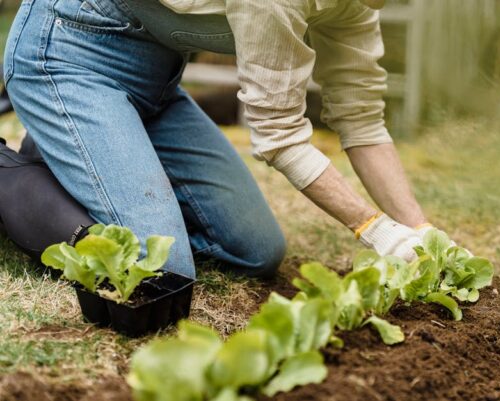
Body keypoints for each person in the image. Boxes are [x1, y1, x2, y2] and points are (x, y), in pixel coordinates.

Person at [2, 0, 457, 279]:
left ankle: (66, 155)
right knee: (162, 270)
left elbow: (361, 121)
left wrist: (421, 232)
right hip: (67, 54)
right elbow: (279, 137)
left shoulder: (357, 5)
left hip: (156, 85)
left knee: (254, 252)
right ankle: (14, 173)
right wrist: (376, 229)